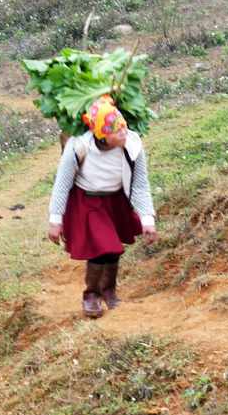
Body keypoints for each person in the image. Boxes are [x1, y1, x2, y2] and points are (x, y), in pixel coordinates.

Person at [47, 95, 157, 318]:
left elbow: (140, 184)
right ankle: (92, 294)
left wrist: (147, 219)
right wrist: (55, 219)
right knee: (103, 248)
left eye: (124, 128)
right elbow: (62, 183)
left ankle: (109, 291)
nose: (124, 133)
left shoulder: (133, 145)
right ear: (102, 135)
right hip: (87, 201)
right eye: (118, 132)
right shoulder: (79, 146)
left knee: (113, 249)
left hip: (115, 201)